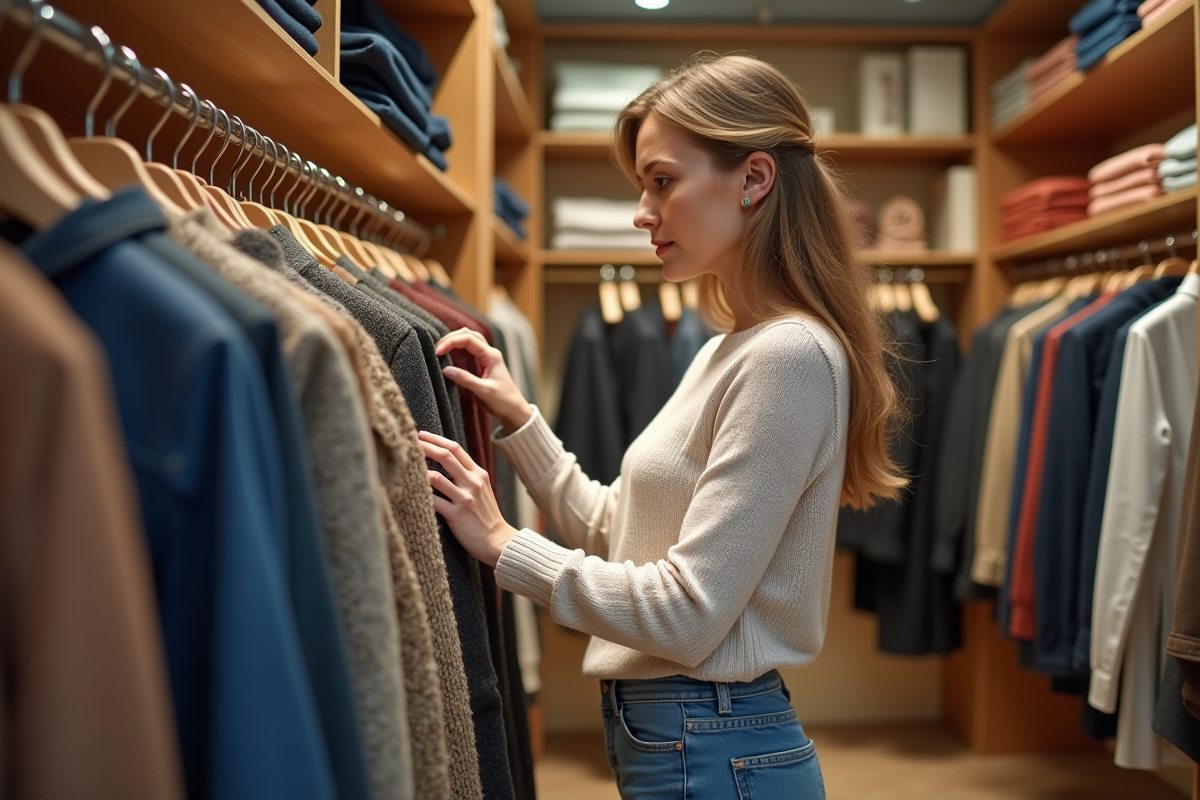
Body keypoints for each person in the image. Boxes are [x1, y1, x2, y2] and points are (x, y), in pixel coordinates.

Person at [419, 53, 906, 800]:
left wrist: (504, 545)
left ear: (752, 180)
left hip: (714, 741)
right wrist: (518, 420)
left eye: (662, 181)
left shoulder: (788, 356)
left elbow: (686, 614)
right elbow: (621, 526)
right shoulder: (729, 349)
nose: (642, 213)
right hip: (687, 735)